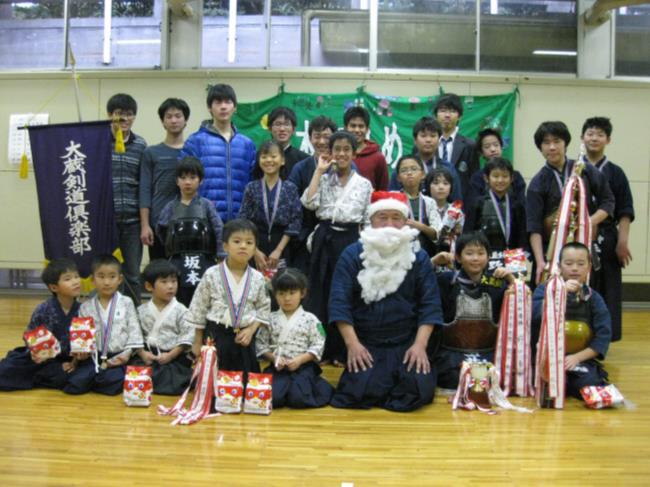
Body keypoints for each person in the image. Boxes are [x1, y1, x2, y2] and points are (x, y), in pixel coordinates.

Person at [328, 191, 443, 411]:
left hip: (406, 341)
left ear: (405, 222)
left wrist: (420, 346)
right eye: (382, 217)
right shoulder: (352, 255)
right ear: (371, 220)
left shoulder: (419, 257)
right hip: (366, 341)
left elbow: (430, 305)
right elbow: (339, 303)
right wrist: (353, 345)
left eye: (396, 218)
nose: (389, 224)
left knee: (416, 391)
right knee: (357, 393)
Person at [301, 131, 373, 365]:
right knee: (319, 293)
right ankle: (320, 349)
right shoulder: (323, 178)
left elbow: (368, 220)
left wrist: (365, 248)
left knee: (346, 293)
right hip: (325, 237)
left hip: (350, 239)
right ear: (330, 153)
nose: (341, 154)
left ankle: (343, 350)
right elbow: (309, 203)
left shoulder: (364, 184)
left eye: (346, 149)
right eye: (337, 149)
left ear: (354, 153)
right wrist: (318, 171)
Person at [526, 121, 615, 286]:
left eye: (557, 141)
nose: (552, 147)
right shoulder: (537, 183)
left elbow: (608, 201)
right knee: (551, 296)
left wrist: (587, 223)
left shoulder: (585, 170)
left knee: (585, 295)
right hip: (551, 251)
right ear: (540, 148)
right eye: (546, 143)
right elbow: (534, 227)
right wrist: (540, 262)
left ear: (565, 143)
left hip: (583, 248)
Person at [185, 219, 271, 377]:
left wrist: (251, 330)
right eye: (237, 241)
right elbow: (199, 308)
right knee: (214, 386)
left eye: (249, 242)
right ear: (225, 246)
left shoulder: (258, 278)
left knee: (244, 385)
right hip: (216, 337)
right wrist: (197, 341)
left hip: (245, 337)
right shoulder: (211, 274)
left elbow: (264, 308)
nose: (243, 246)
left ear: (254, 249)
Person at [432, 232, 514, 390]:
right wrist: (433, 262)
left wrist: (512, 281)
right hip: (452, 355)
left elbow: (520, 303)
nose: (475, 258)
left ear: (489, 257)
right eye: (469, 253)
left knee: (494, 377)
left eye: (481, 253)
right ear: (458, 257)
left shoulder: (498, 283)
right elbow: (418, 283)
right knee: (457, 378)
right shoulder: (445, 281)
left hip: (488, 353)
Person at [532, 242, 611, 399]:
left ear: (588, 267)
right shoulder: (544, 289)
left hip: (579, 359)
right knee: (543, 381)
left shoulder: (594, 298)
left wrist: (577, 358)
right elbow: (534, 316)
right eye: (568, 263)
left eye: (581, 264)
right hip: (546, 357)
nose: (575, 268)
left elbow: (603, 336)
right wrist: (560, 293)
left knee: (588, 383)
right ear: (559, 267)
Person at [581, 116, 634, 342]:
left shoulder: (616, 173)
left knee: (609, 287)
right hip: (579, 235)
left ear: (608, 140)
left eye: (600, 134)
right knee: (581, 283)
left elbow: (625, 211)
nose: (594, 138)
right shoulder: (575, 169)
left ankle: (605, 337)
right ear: (582, 137)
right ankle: (580, 334)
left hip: (608, 236)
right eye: (590, 134)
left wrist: (622, 242)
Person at [64, 255, 144, 395]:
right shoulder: (85, 307)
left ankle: (101, 379)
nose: (106, 282)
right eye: (101, 277)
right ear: (92, 280)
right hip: (94, 358)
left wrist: (126, 354)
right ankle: (96, 378)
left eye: (112, 277)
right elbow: (82, 338)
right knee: (75, 384)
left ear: (120, 279)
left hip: (118, 357)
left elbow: (134, 331)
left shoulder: (126, 302)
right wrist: (79, 356)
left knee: (112, 382)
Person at [256, 268, 334, 408]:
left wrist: (300, 360)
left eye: (292, 293)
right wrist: (274, 358)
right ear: (275, 294)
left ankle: (313, 384)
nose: (287, 298)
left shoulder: (311, 319)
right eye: (281, 293)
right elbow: (261, 345)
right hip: (278, 367)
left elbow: (318, 344)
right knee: (273, 398)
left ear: (302, 293)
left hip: (303, 367)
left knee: (299, 398)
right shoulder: (269, 319)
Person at [0, 259, 81, 391]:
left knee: (71, 377)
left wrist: (74, 362)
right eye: (68, 279)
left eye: (77, 277)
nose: (76, 281)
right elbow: (31, 337)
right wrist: (39, 354)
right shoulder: (43, 309)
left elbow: (85, 344)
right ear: (54, 287)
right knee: (5, 370)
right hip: (45, 360)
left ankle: (39, 377)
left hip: (71, 360)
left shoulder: (83, 310)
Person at [180, 83, 256, 223]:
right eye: (218, 102)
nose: (223, 106)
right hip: (204, 219)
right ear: (209, 107)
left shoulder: (247, 144)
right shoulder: (195, 141)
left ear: (235, 107)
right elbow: (184, 181)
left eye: (228, 102)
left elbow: (253, 183)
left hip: (240, 221)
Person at [156, 156, 225, 307]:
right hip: (177, 261)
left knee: (204, 298)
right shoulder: (170, 207)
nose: (187, 182)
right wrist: (171, 249)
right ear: (177, 181)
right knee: (180, 300)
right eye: (183, 178)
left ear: (201, 181)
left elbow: (219, 229)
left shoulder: (207, 205)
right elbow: (161, 230)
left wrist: (221, 255)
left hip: (204, 260)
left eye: (192, 178)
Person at [107, 93, 148, 305]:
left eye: (129, 114)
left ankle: (133, 316)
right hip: (106, 223)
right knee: (105, 273)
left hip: (133, 223)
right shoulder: (98, 142)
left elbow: (144, 185)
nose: (124, 118)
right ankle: (104, 316)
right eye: (119, 114)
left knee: (132, 274)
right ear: (109, 115)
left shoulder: (141, 144)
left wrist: (144, 224)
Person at [239, 140, 302, 274]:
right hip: (255, 244)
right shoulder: (251, 188)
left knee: (280, 284)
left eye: (273, 156)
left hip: (282, 245)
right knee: (255, 283)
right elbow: (243, 220)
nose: (269, 160)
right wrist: (255, 251)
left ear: (282, 160)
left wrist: (278, 250)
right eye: (264, 157)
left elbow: (295, 221)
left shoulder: (290, 188)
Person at [139, 98, 190, 260]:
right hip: (158, 223)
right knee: (159, 270)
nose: (174, 120)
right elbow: (145, 190)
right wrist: (145, 225)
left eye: (178, 116)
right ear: (163, 122)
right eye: (169, 116)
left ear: (185, 120)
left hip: (188, 222)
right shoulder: (151, 152)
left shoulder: (193, 151)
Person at [288, 116, 337, 275]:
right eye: (317, 136)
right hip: (304, 236)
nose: (321, 141)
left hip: (334, 236)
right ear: (309, 138)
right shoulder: (300, 168)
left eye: (327, 137)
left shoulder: (345, 166)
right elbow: (291, 202)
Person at [137, 260, 193, 395]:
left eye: (174, 281)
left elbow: (187, 336)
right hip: (148, 356)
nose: (170, 286)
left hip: (172, 356)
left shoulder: (182, 310)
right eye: (164, 282)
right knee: (133, 373)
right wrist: (143, 353)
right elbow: (135, 334)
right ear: (149, 286)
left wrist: (171, 355)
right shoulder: (141, 310)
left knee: (175, 381)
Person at [388, 116, 462, 201]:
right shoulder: (403, 169)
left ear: (439, 140)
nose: (428, 140)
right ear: (415, 140)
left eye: (433, 136)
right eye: (423, 136)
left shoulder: (448, 168)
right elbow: (391, 200)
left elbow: (456, 202)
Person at [464, 157, 527, 253]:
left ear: (512, 178)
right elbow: (468, 233)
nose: (500, 180)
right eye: (496, 176)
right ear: (486, 178)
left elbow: (522, 235)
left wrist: (522, 252)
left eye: (505, 176)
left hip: (512, 256)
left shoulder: (517, 205)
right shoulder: (477, 204)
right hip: (484, 255)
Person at [467, 128, 526, 208]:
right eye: (487, 147)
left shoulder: (516, 176)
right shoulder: (476, 178)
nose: (493, 149)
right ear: (481, 152)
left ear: (501, 147)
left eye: (496, 145)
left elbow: (522, 204)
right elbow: (473, 206)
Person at [433, 93, 477, 199]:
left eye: (452, 111)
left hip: (460, 203)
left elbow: (473, 181)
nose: (447, 115)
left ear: (459, 116)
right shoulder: (426, 144)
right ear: (435, 115)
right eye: (443, 110)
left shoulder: (470, 146)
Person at [394, 154, 438, 256]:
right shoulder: (393, 199)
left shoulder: (429, 202)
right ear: (398, 178)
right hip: (399, 253)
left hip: (426, 253)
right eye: (404, 170)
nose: (409, 173)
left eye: (414, 169)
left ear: (422, 174)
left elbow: (436, 234)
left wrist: (420, 226)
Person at [423, 168, 465, 264]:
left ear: (451, 188)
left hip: (450, 256)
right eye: (436, 183)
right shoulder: (423, 207)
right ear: (428, 186)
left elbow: (459, 235)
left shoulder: (456, 210)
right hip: (427, 253)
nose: (441, 187)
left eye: (445, 183)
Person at [344, 106, 389, 190]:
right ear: (345, 128)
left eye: (361, 126)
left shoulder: (378, 158)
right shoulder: (338, 155)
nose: (357, 130)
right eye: (353, 126)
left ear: (367, 129)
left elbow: (383, 190)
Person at [267, 106, 310, 175]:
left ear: (293, 129)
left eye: (286, 124)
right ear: (269, 129)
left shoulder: (304, 160)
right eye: (278, 124)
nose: (282, 129)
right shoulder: (263, 157)